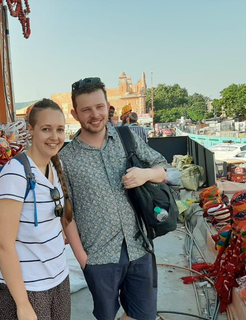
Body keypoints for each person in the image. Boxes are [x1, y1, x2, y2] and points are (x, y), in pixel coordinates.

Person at [60, 77, 169, 320]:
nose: (95, 114)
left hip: (139, 247)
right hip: (98, 258)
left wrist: (145, 174)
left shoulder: (126, 138)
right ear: (75, 113)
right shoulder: (65, 159)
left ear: (108, 106)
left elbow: (164, 171)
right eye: (86, 109)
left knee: (144, 316)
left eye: (99, 107)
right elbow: (67, 215)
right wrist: (84, 261)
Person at [0, 98, 73, 320]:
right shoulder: (14, 174)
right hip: (26, 286)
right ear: (31, 130)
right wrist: (23, 304)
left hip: (57, 278)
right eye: (46, 129)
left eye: (59, 129)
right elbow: (2, 244)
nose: (54, 137)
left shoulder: (56, 166)